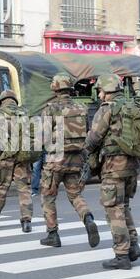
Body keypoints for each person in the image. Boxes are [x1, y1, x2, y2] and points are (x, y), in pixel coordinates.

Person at [85, 74, 140, 270]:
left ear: (106, 91)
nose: (100, 95)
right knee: (124, 205)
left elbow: (94, 138)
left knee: (113, 210)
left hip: (113, 167)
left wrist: (86, 151)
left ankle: (122, 255)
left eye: (100, 91)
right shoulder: (133, 107)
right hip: (133, 166)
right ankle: (133, 246)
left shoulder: (107, 109)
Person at [39, 73, 100, 248]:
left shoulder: (50, 109)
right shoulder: (81, 107)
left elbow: (44, 135)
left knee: (48, 196)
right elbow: (89, 132)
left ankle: (53, 234)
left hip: (55, 160)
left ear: (55, 88)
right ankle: (87, 218)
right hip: (77, 159)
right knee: (75, 195)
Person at [0, 90, 33, 233]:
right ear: (14, 100)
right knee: (24, 189)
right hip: (23, 157)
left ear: (2, 101)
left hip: (5, 157)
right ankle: (26, 221)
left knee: (0, 187)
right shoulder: (25, 113)